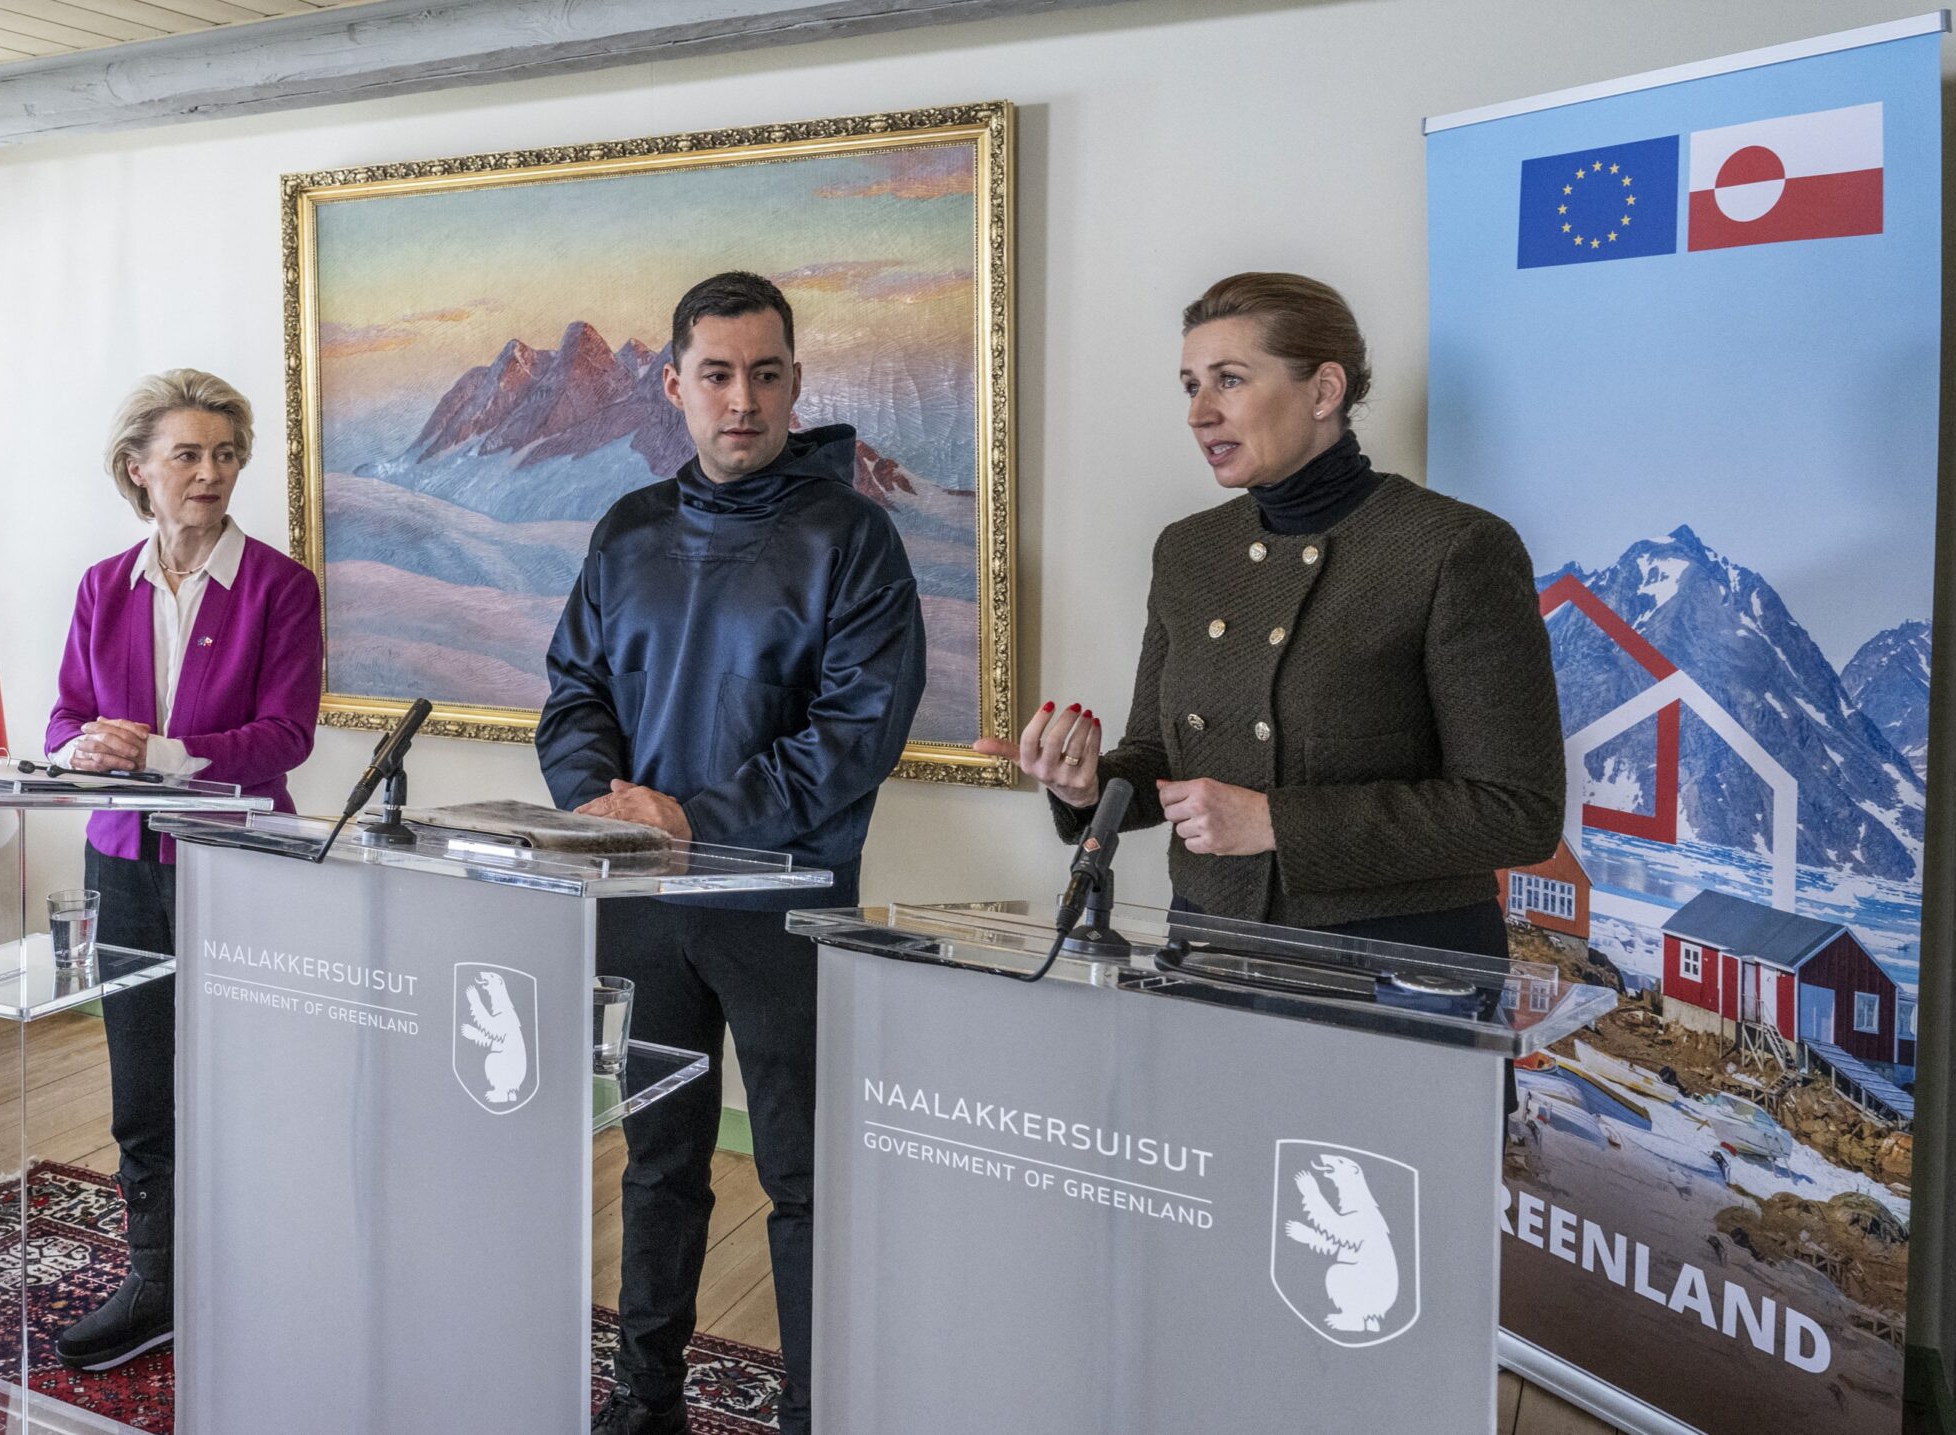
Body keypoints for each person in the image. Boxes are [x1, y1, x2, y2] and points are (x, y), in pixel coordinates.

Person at [540, 271, 927, 1435]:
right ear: (673, 386)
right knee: (658, 1160)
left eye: (766, 375)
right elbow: (572, 694)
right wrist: (603, 803)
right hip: (642, 900)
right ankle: (643, 1398)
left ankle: (815, 1414)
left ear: (798, 384)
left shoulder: (854, 537)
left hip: (786, 908)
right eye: (716, 375)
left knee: (804, 1181)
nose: (742, 400)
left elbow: (853, 736)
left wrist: (691, 819)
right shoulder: (628, 528)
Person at [977, 272, 1564, 960]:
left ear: (1323, 390)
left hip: (1395, 967)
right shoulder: (1188, 550)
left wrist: (1274, 822)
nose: (1199, 413)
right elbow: (1161, 760)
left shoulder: (1454, 548)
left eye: (1229, 379)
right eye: (1191, 385)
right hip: (1209, 945)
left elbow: (1517, 812)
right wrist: (1087, 787)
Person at [44, 368, 323, 1370]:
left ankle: (261, 1275)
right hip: (122, 863)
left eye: (224, 454)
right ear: (138, 471)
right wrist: (79, 751)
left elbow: (285, 737)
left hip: (238, 866)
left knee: (247, 1084)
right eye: (188, 455)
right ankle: (158, 1278)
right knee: (142, 1087)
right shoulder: (98, 586)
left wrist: (159, 755)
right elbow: (66, 716)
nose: (210, 473)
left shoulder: (281, 588)